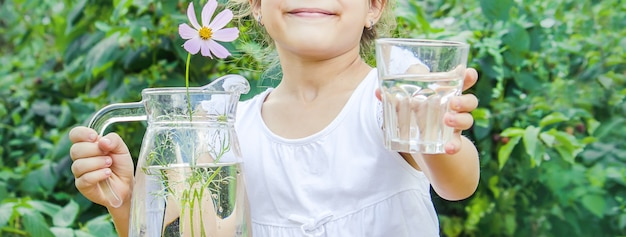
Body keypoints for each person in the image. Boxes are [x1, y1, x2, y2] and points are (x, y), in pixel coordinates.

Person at [69, 0, 480, 236]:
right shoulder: (228, 134)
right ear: (258, 6)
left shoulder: (390, 97)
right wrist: (125, 205)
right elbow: (184, 230)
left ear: (373, 7)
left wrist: (433, 127)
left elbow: (457, 184)